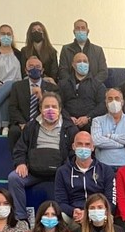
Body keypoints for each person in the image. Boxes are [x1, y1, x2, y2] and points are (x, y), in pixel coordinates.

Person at [9, 92, 79, 222]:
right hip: (33, 170)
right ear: (40, 109)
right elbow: (20, 148)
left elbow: (73, 153)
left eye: (54, 106)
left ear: (60, 109)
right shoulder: (31, 126)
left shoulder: (70, 128)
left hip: (59, 172)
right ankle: (21, 219)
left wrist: (67, 169)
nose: (50, 110)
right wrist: (21, 163)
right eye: (46, 106)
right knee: (14, 178)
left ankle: (66, 220)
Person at [54, 131, 115, 230]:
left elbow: (111, 202)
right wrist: (73, 212)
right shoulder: (62, 171)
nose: (83, 147)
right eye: (80, 144)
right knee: (57, 218)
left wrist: (88, 213)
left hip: (98, 212)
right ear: (73, 146)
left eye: (87, 144)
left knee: (110, 219)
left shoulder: (106, 170)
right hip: (74, 214)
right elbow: (60, 202)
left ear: (93, 147)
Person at [7, 56, 59, 153]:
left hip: (44, 122)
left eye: (38, 66)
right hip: (22, 122)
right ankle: (18, 161)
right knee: (14, 131)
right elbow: (13, 108)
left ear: (42, 70)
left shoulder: (52, 88)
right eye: (31, 66)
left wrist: (41, 97)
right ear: (26, 71)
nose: (35, 69)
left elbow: (54, 109)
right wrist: (22, 123)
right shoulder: (17, 86)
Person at [90, 88, 125, 169]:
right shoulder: (97, 121)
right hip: (103, 165)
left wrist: (111, 136)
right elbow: (97, 141)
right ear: (106, 103)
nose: (113, 102)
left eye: (117, 98)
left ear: (122, 102)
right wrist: (122, 144)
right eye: (110, 99)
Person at [59, 52, 107, 132]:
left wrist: (88, 117)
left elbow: (102, 105)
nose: (82, 63)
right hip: (68, 123)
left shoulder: (98, 85)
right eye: (79, 61)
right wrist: (68, 117)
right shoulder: (63, 84)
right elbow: (59, 104)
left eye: (85, 61)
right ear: (73, 65)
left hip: (91, 123)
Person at [58, 19, 108, 83]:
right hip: (72, 87)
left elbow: (103, 72)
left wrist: (92, 84)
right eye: (77, 28)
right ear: (74, 32)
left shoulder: (98, 50)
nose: (80, 31)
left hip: (93, 87)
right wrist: (72, 84)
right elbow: (63, 71)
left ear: (88, 31)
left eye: (83, 28)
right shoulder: (66, 49)